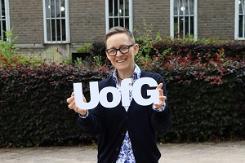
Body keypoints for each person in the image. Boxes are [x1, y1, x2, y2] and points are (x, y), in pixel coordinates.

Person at [67, 26, 171, 163]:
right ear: (107, 55)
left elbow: (163, 127)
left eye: (123, 48)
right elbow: (94, 129)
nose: (118, 54)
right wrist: (84, 113)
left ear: (135, 48)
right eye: (112, 50)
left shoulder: (153, 82)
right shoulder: (102, 88)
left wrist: (159, 109)